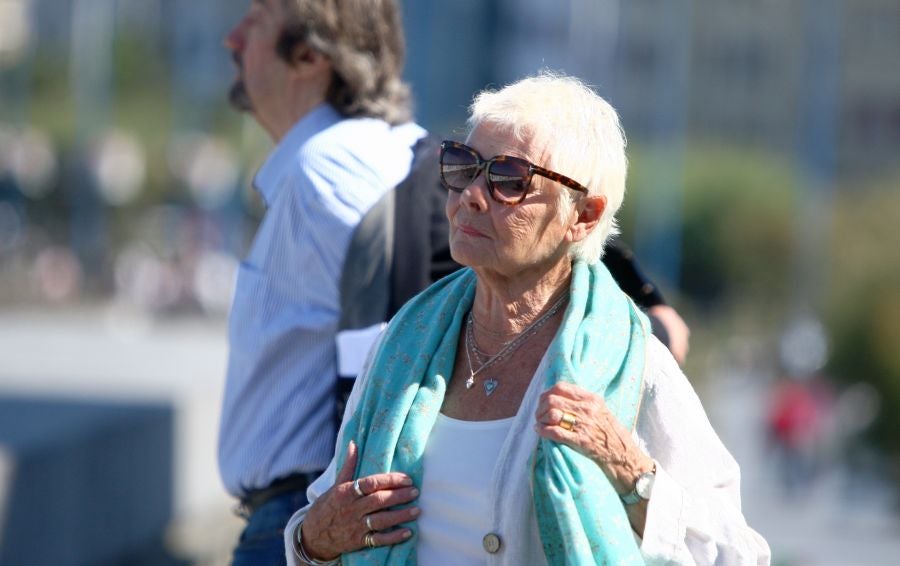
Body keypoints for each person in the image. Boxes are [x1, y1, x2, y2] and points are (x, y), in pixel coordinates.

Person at [283, 73, 769, 565]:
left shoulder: (636, 366)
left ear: (583, 215)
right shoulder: (401, 344)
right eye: (464, 166)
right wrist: (312, 541)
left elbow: (739, 554)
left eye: (509, 179)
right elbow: (318, 532)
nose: (472, 194)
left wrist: (631, 472)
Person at [217, 1, 446, 563]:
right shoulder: (366, 154)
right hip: (313, 521)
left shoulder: (329, 167)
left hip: (305, 522)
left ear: (309, 54)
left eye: (256, 20)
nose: (232, 39)